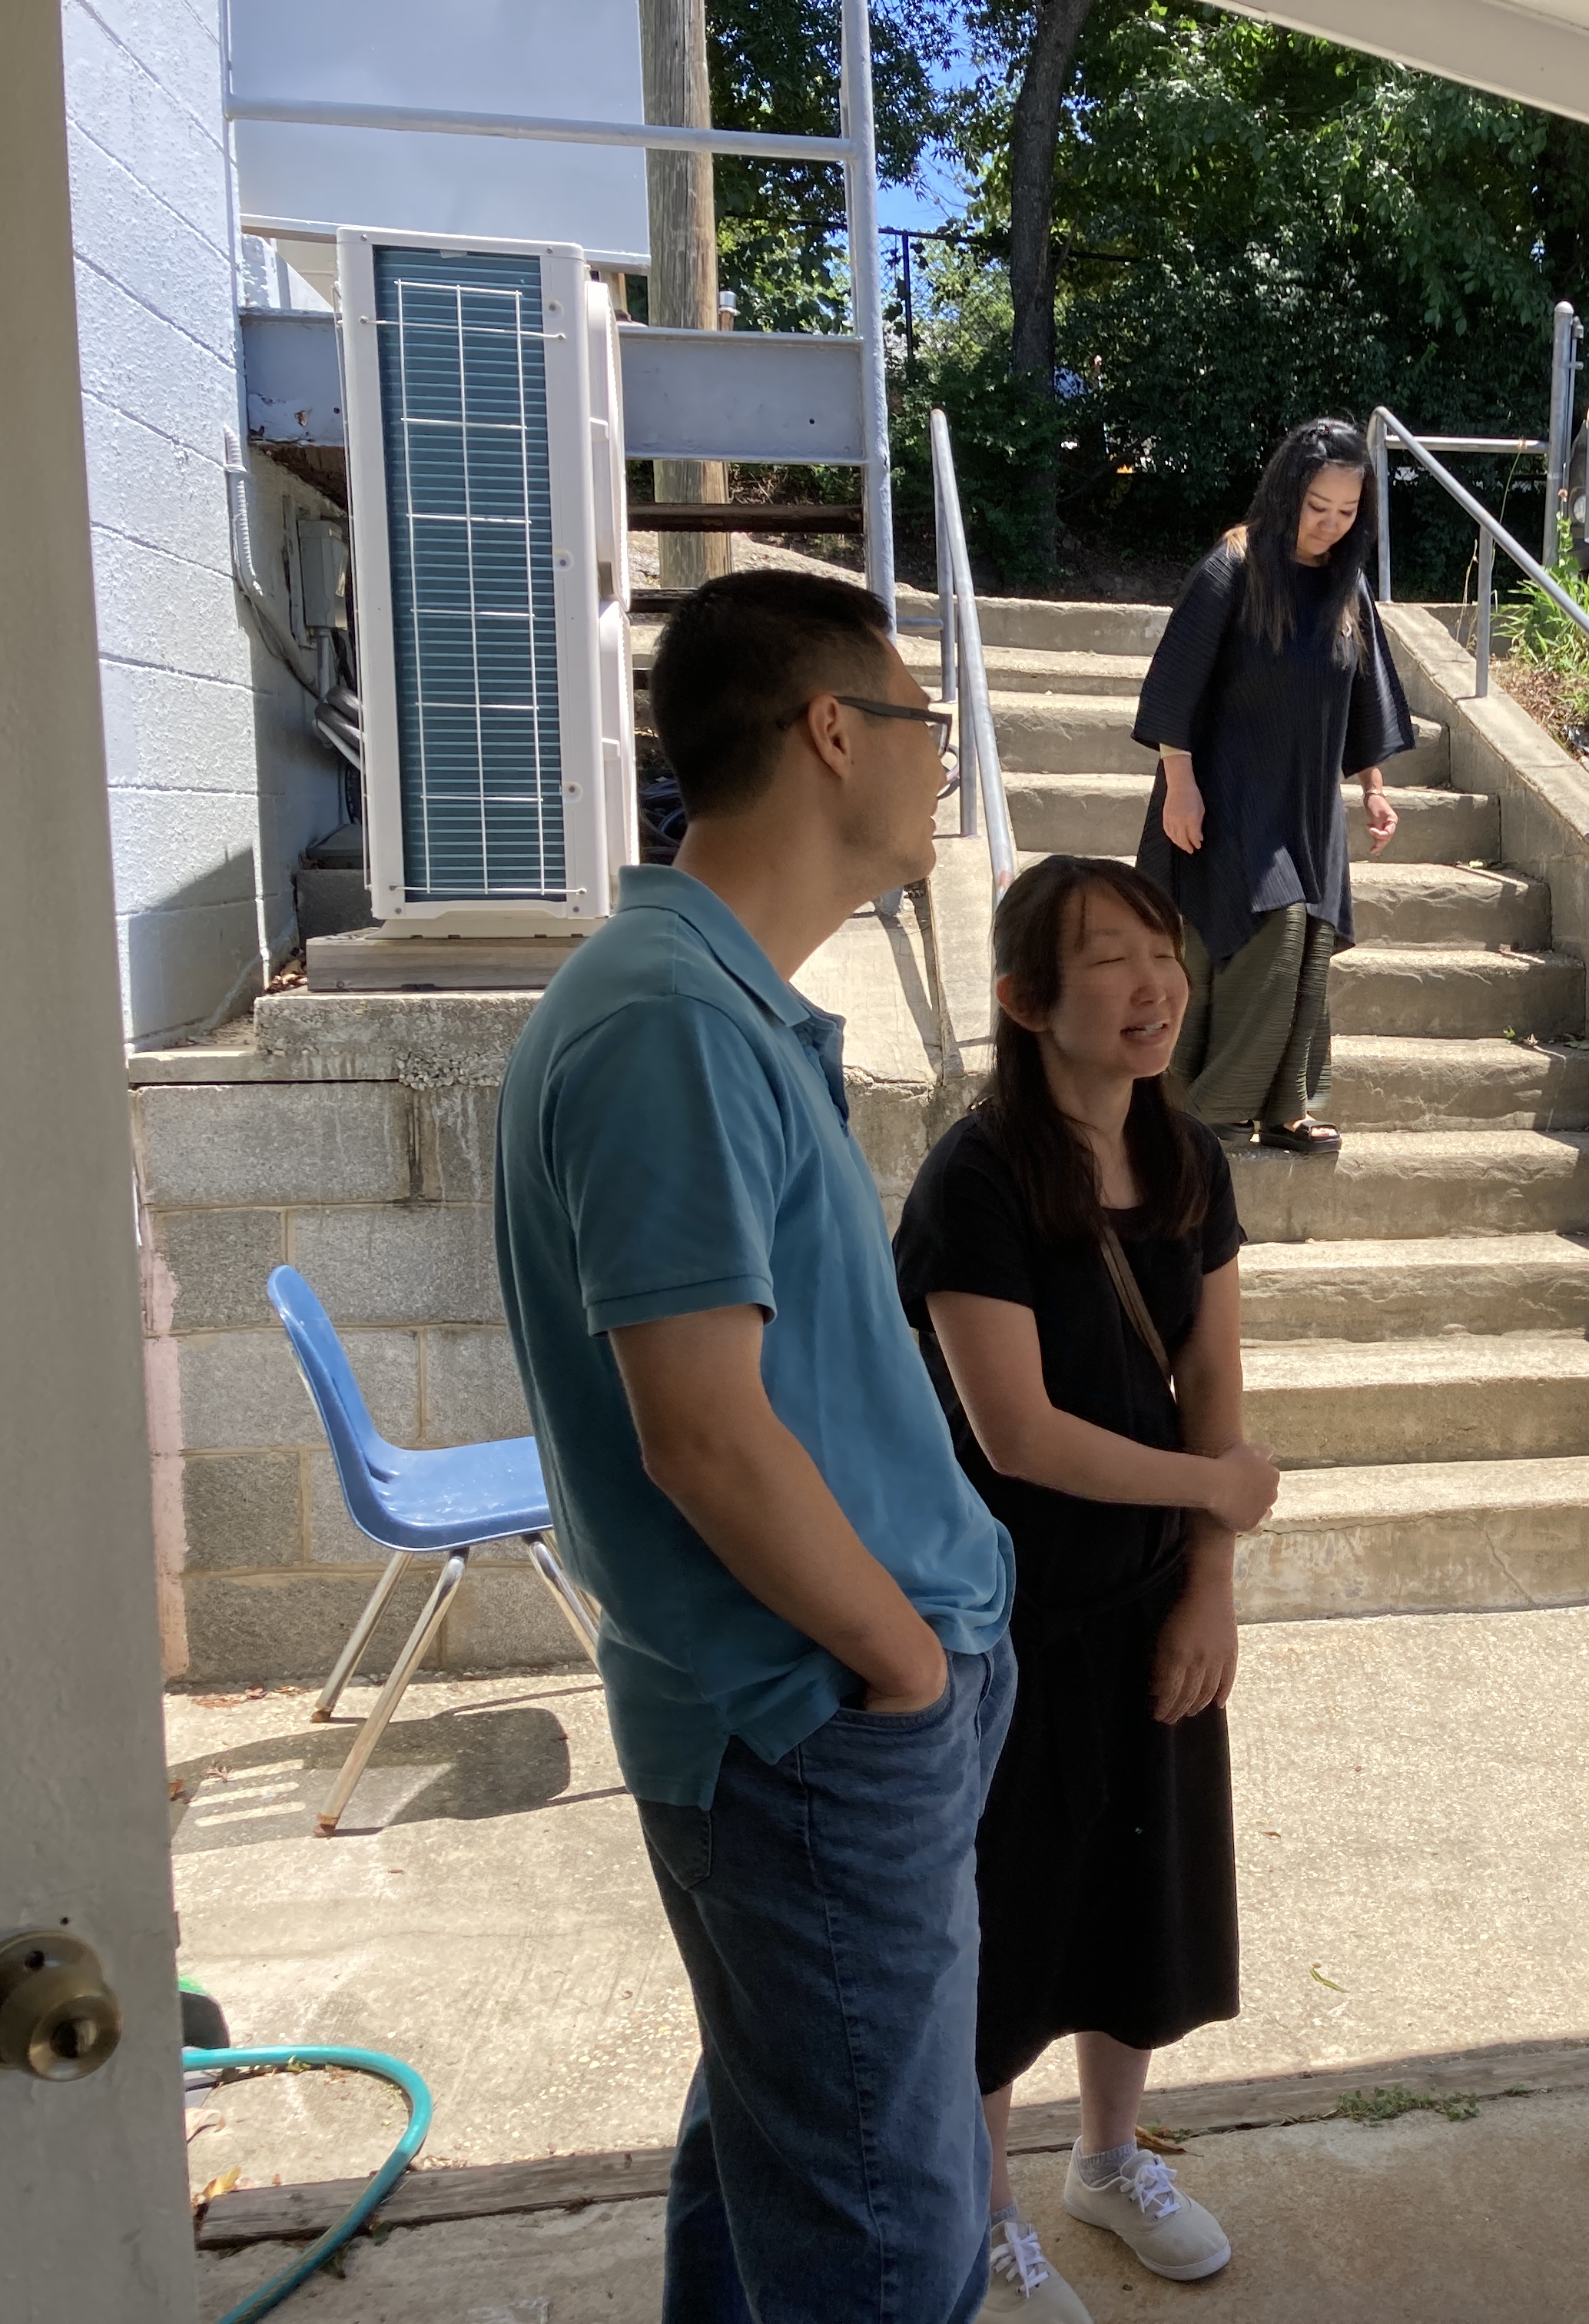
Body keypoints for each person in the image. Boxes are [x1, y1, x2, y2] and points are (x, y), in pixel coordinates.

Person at [493, 569, 1016, 2322]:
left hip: (815, 1710)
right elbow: (705, 1437)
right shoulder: (671, 1022)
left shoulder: (706, 1000)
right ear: (831, 733)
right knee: (886, 2238)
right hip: (815, 1717)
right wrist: (901, 1666)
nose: (941, 762)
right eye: (926, 723)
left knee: (780, 2159)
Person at [892, 855, 1280, 2320]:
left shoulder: (1188, 1159)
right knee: (1002, 1927)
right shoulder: (978, 1178)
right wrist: (1210, 1490)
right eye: (1110, 957)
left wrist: (1207, 1583)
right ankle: (982, 2212)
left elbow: (1213, 1374)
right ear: (1024, 998)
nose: (1153, 983)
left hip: (1146, 1596)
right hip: (1003, 1617)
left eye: (1161, 951)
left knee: (1140, 1897)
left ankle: (1109, 2159)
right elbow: (1019, 1432)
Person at [1132, 417, 1414, 1155]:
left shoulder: (1348, 588)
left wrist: (1374, 788)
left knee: (1310, 939)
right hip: (1227, 790)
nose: (1330, 524)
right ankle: (1210, 1107)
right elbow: (1174, 686)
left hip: (1309, 800)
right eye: (1318, 506)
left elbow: (1361, 698)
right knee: (1273, 925)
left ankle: (1290, 1107)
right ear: (1288, 491)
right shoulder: (1232, 567)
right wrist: (1180, 786)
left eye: (1347, 511)